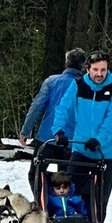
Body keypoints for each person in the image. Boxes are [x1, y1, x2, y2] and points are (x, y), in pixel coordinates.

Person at [53, 50, 112, 223]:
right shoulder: (78, 86)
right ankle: (69, 222)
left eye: (103, 70)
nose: (99, 74)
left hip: (105, 152)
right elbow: (63, 108)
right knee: (70, 188)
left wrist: (99, 140)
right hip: (81, 147)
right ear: (88, 69)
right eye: (95, 70)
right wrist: (59, 131)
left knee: (100, 195)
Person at [19, 48, 87, 190]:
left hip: (47, 137)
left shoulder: (52, 81)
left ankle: (42, 204)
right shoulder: (86, 86)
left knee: (36, 173)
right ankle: (65, 207)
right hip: (72, 140)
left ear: (67, 63)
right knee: (67, 178)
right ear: (83, 66)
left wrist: (26, 131)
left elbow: (36, 106)